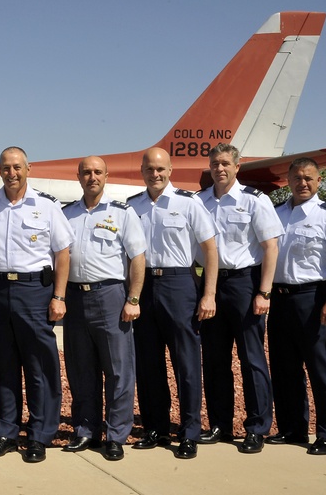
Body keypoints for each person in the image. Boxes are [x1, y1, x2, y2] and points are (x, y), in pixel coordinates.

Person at [0, 147, 73, 463]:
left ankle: (39, 436)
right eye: (6, 167)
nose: (12, 173)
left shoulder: (46, 206)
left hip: (35, 290)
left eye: (17, 167)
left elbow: (62, 253)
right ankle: (5, 432)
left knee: (39, 366)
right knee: (3, 365)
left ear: (28, 168)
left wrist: (59, 296)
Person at [126, 147, 217, 459]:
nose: (156, 174)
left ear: (170, 170)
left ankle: (189, 431)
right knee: (148, 364)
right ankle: (155, 428)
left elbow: (210, 250)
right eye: (150, 169)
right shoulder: (132, 206)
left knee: (186, 364)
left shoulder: (188, 203)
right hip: (144, 285)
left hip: (180, 284)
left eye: (161, 169)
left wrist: (209, 293)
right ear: (142, 170)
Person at [266, 157, 326, 456]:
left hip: (313, 298)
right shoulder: (276, 214)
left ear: (319, 181)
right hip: (279, 299)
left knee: (320, 369)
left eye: (308, 178)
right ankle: (292, 428)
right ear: (288, 181)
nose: (302, 183)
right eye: (296, 178)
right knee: (284, 369)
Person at [196, 144, 283, 454]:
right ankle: (220, 424)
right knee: (215, 360)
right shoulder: (199, 202)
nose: (220, 168)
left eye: (225, 163)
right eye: (215, 163)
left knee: (252, 360)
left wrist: (264, 292)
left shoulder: (254, 201)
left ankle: (257, 427)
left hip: (244, 284)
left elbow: (270, 247)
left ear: (237, 166)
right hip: (209, 286)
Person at [61, 156, 146, 462]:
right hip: (75, 297)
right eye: (86, 172)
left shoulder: (122, 213)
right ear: (79, 176)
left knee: (118, 370)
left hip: (110, 296)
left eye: (97, 172)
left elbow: (137, 258)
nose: (92, 177)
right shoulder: (66, 214)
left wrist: (133, 299)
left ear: (106, 176)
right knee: (81, 369)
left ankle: (116, 435)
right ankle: (86, 430)